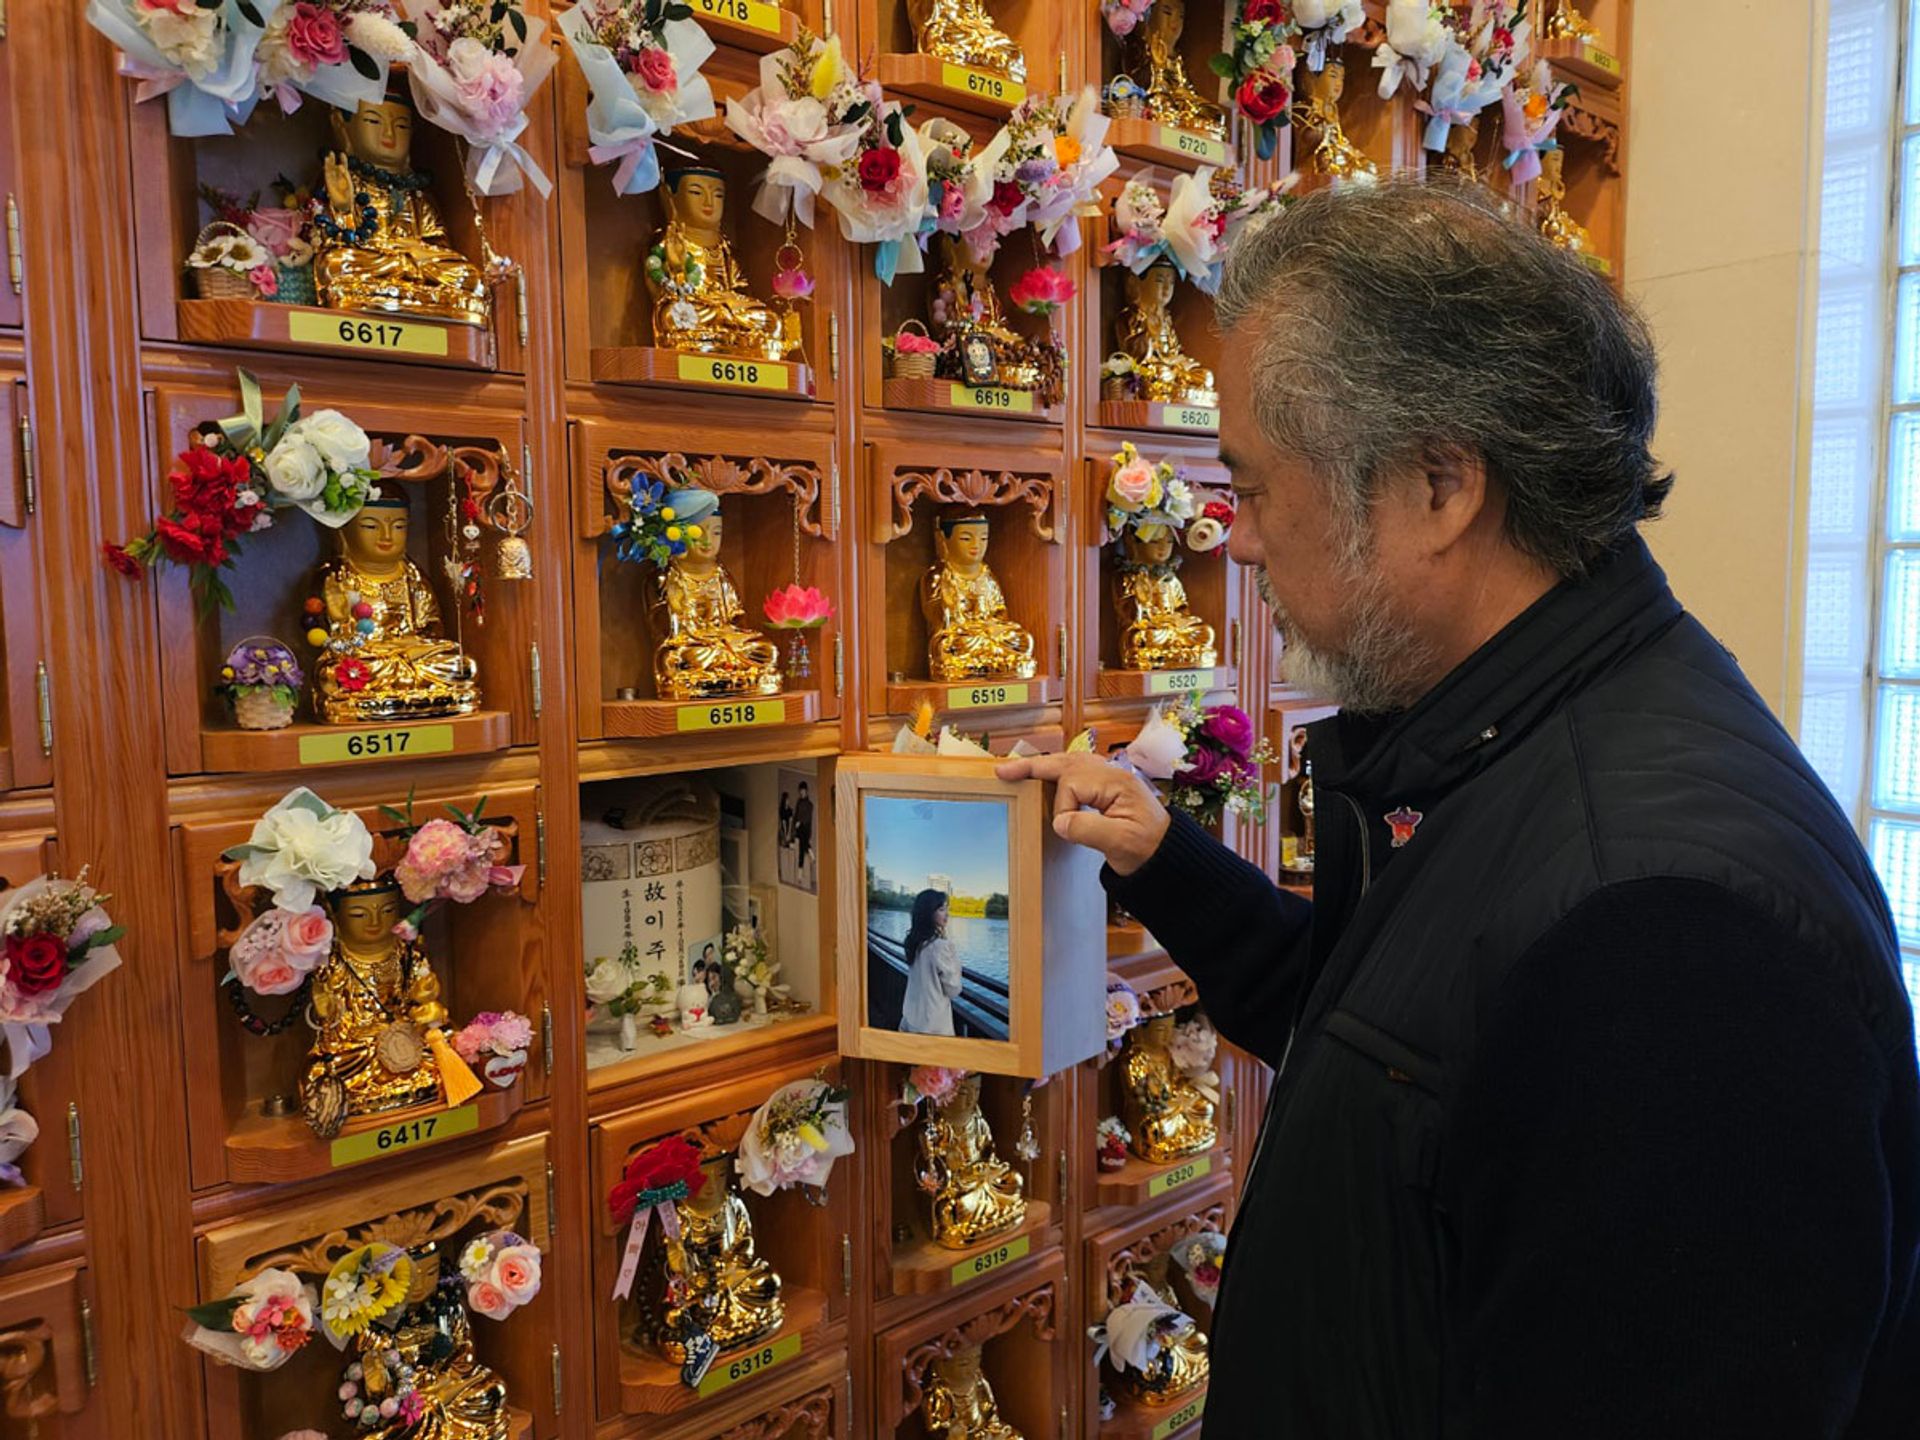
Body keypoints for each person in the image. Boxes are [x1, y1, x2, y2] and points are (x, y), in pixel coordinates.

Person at [1000, 179, 1920, 1438]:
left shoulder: (1666, 933)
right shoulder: (1513, 742)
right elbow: (1402, 1055)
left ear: (1440, 486)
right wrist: (1165, 860)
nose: (1242, 544)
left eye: (1259, 489)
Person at [899, 889, 962, 1036]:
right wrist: (952, 954)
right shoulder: (941, 946)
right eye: (941, 909)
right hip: (934, 1027)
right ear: (928, 913)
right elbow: (954, 990)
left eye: (947, 909)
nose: (947, 914)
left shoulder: (914, 942)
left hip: (911, 1020)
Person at [791, 781, 815, 875]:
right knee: (801, 849)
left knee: (802, 847)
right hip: (799, 830)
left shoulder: (810, 804)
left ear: (806, 791)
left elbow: (807, 819)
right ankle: (810, 853)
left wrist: (799, 822)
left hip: (805, 829)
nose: (801, 793)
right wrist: (795, 824)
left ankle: (800, 873)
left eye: (803, 791)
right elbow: (795, 815)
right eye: (800, 791)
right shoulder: (798, 803)